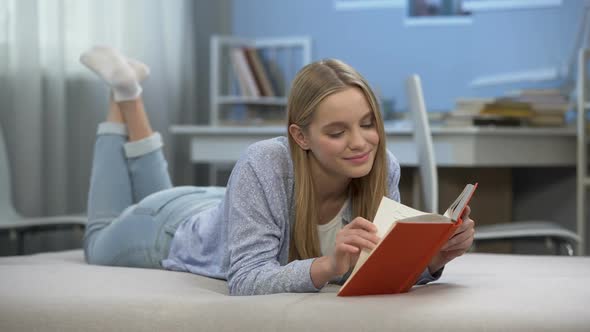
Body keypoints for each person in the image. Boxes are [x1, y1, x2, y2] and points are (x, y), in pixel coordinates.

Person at [81, 46, 475, 296]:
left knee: (150, 197)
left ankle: (128, 92)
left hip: (223, 206)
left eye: (368, 124)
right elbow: (247, 277)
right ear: (300, 137)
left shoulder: (380, 167)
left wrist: (432, 259)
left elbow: (375, 272)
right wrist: (328, 266)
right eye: (337, 132)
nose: (360, 142)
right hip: (168, 228)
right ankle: (124, 96)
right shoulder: (263, 163)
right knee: (98, 239)